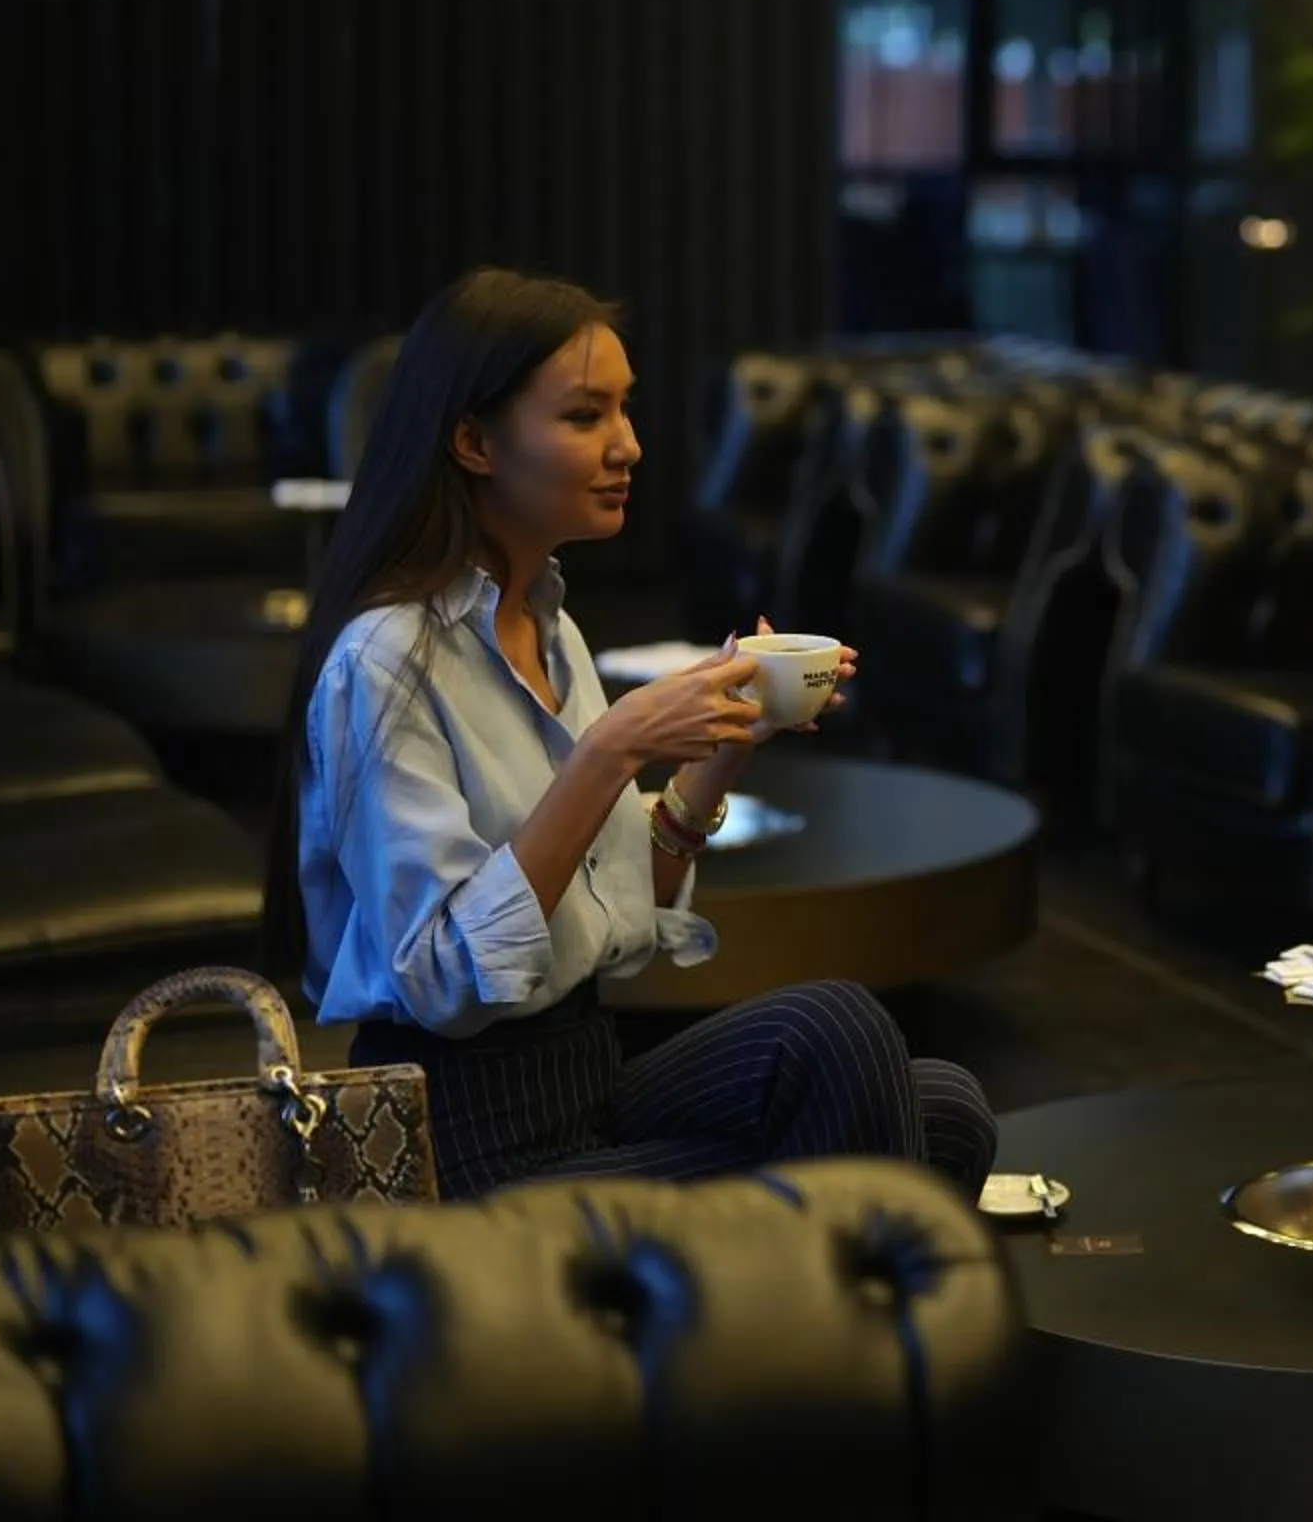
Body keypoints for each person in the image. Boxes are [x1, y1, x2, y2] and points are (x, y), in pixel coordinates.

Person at [267, 267, 996, 1199]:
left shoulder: (549, 623)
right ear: (473, 441)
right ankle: (825, 1326)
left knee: (944, 1105)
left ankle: (798, 1319)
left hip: (584, 1087)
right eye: (585, 417)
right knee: (837, 1032)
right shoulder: (384, 660)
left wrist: (721, 751)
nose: (630, 447)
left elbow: (616, 908)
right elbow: (441, 979)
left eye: (626, 411)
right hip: (466, 1145)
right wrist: (611, 750)